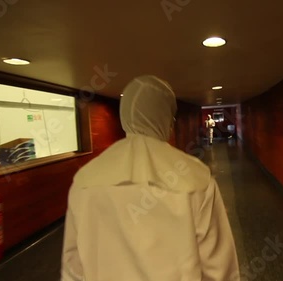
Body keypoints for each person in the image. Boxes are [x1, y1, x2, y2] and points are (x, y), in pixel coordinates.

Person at [61, 75, 240, 281]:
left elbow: (73, 267)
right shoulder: (196, 178)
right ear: (165, 118)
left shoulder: (85, 179)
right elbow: (219, 268)